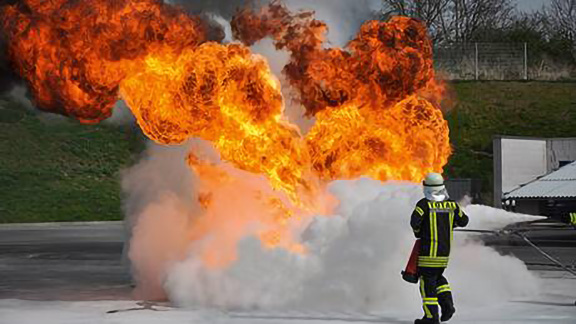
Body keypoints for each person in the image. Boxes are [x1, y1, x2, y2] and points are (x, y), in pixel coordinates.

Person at [410, 173, 469, 324]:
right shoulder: (451, 205)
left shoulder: (423, 205)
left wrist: (418, 233)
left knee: (426, 283)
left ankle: (431, 317)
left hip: (428, 253)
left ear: (427, 188)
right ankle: (448, 306)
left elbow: (414, 222)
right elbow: (464, 221)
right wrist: (451, 224)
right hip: (443, 255)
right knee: (438, 278)